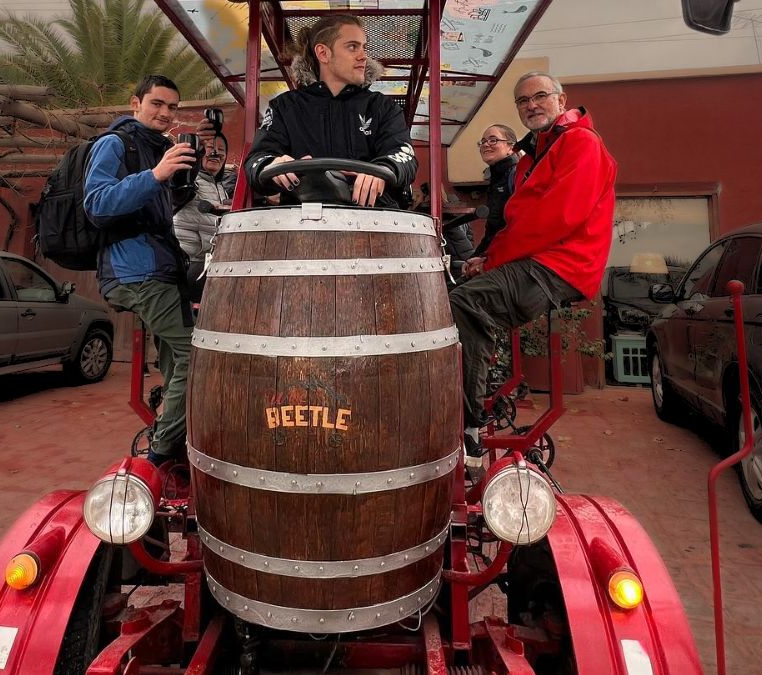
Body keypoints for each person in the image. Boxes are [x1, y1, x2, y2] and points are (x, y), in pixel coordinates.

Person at [451, 72, 617, 459]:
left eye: (540, 96)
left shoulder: (580, 143)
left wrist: (492, 260)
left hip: (561, 263)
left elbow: (556, 217)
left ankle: (467, 423)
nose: (531, 105)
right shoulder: (537, 152)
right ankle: (479, 393)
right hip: (542, 258)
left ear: (561, 101)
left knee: (466, 304)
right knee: (462, 298)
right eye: (523, 101)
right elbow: (516, 220)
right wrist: (487, 258)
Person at [83, 74, 211, 465]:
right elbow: (97, 203)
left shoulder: (158, 147)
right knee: (195, 356)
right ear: (135, 103)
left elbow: (163, 209)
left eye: (172, 107)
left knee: (175, 359)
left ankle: (172, 434)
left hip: (161, 267)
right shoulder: (114, 143)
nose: (165, 113)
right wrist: (157, 174)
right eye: (157, 103)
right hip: (135, 271)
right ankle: (159, 454)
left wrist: (183, 173)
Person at [243, 14, 418, 208]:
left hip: (374, 221)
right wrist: (271, 164)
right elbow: (255, 161)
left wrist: (383, 169)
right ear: (323, 53)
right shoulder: (285, 107)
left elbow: (404, 155)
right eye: (353, 46)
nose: (363, 56)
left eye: (364, 47)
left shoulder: (383, 107)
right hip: (300, 223)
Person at [173, 137, 231, 302]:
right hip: (188, 263)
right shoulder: (188, 179)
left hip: (208, 263)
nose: (216, 153)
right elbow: (177, 187)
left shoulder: (220, 187)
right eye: (210, 148)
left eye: (221, 150)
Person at [472, 124, 519, 257]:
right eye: (483, 141)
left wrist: (486, 259)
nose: (486, 145)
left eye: (493, 140)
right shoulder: (496, 178)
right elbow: (492, 231)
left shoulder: (517, 175)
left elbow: (514, 226)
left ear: (511, 147)